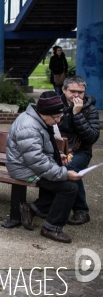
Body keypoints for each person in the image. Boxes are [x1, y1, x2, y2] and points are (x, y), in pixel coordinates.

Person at [6, 92, 83, 243]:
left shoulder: (38, 119)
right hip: (24, 169)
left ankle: (33, 209)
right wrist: (64, 174)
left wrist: (57, 154)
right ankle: (51, 227)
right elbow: (36, 161)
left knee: (68, 183)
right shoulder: (28, 126)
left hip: (29, 164)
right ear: (44, 113)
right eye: (56, 118)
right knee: (69, 187)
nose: (58, 121)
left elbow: (40, 149)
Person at [58, 75, 100, 225]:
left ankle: (81, 210)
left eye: (80, 92)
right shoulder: (57, 105)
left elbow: (91, 137)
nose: (76, 95)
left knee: (71, 169)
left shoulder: (90, 110)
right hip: (59, 150)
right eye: (72, 91)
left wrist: (77, 114)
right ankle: (48, 205)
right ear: (64, 89)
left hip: (81, 151)